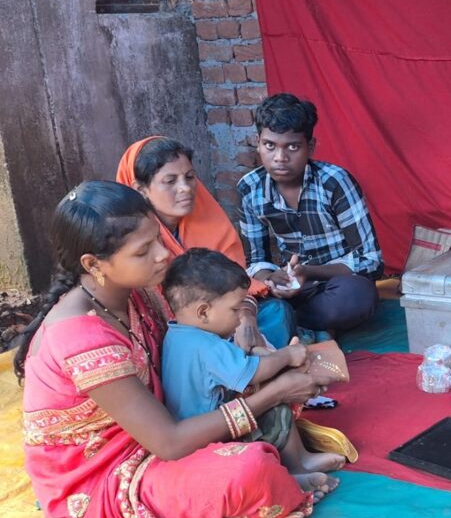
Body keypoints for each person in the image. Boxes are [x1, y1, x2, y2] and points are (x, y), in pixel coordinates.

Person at [15, 181, 336, 518]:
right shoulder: (83, 339)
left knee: (261, 372)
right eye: (143, 250)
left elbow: (224, 298)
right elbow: (168, 442)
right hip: (108, 482)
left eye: (158, 238)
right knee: (248, 467)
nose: (163, 254)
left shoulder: (139, 291)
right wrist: (274, 393)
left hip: (166, 429)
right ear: (93, 264)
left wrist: (246, 322)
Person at [161, 247, 346, 479]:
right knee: (272, 389)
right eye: (236, 309)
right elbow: (255, 372)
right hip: (209, 436)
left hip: (195, 427)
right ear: (203, 312)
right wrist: (287, 355)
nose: (241, 317)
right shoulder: (208, 346)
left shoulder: (178, 334)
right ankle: (298, 465)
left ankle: (299, 461)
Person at [116, 136, 295, 352]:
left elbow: (237, 284)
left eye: (189, 177)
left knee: (276, 312)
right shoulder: (132, 237)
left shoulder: (208, 219)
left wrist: (245, 318)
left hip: (223, 316)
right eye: (170, 181)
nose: (186, 188)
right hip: (176, 334)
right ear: (140, 189)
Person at [237, 93, 383, 333]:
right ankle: (297, 322)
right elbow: (256, 260)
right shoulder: (249, 188)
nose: (280, 158)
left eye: (292, 147)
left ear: (310, 147)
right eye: (269, 145)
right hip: (291, 287)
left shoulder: (335, 183)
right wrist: (273, 279)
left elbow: (371, 262)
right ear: (258, 142)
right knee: (245, 299)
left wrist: (307, 272)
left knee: (359, 296)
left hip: (335, 283)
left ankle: (289, 324)